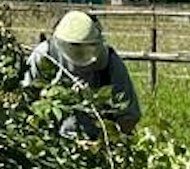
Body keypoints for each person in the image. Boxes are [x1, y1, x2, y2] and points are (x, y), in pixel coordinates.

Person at [21, 10, 141, 139]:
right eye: (74, 47)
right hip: (51, 142)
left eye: (86, 48)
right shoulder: (45, 55)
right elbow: (26, 101)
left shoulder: (109, 63)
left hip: (97, 145)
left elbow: (129, 116)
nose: (80, 54)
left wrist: (104, 141)